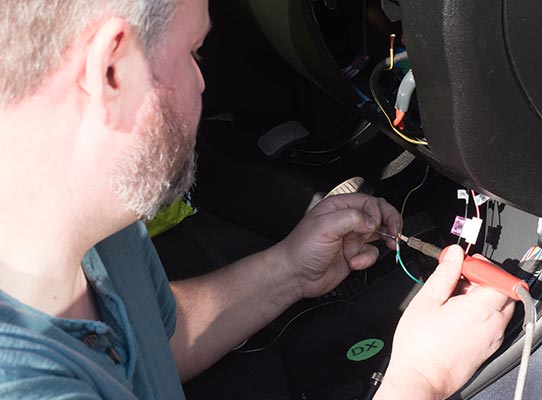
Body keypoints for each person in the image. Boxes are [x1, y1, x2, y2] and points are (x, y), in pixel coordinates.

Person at [0, 0, 515, 399]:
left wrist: (289, 269)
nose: (202, 81)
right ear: (110, 70)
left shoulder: (95, 221)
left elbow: (158, 341)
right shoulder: (28, 382)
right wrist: (420, 380)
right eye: (192, 53)